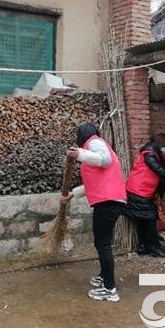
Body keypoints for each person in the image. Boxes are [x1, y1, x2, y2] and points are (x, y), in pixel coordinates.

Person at [61, 123, 127, 302]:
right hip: (110, 200)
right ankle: (104, 276)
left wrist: (79, 154)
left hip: (108, 201)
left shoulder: (94, 142)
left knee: (103, 243)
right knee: (102, 242)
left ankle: (109, 289)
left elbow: (105, 160)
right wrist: (73, 194)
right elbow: (95, 180)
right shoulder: (96, 146)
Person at [124, 133, 165, 257]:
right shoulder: (149, 155)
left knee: (141, 221)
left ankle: (142, 246)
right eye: (164, 145)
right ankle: (154, 247)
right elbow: (160, 170)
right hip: (140, 192)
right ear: (159, 145)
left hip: (135, 190)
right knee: (150, 220)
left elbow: (162, 160)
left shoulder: (150, 152)